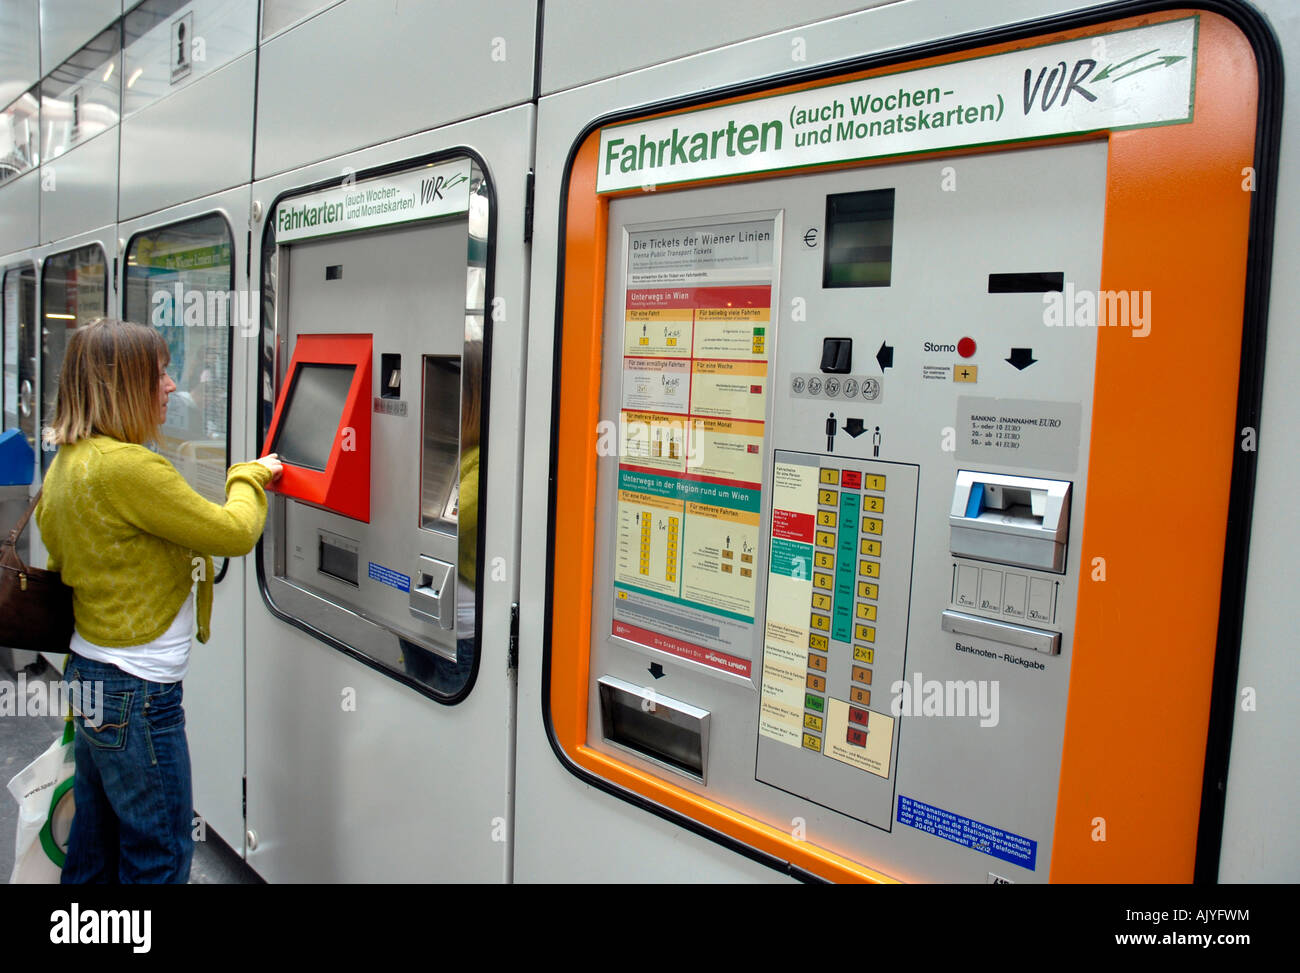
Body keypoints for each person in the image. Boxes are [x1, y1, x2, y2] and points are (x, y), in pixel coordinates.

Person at [34, 318, 282, 883]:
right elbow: (233, 532)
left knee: (94, 843)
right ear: (123, 385)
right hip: (137, 693)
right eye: (161, 373)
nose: (171, 386)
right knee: (161, 853)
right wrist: (252, 474)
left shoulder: (70, 461)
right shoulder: (127, 468)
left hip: (92, 671)